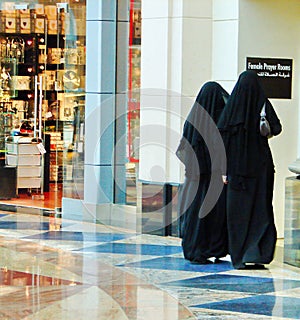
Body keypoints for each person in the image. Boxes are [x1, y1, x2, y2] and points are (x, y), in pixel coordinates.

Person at [217, 70, 282, 269]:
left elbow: (223, 139)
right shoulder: (262, 103)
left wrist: (223, 171)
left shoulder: (232, 108)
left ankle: (239, 256)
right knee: (261, 210)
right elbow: (277, 128)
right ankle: (259, 253)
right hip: (261, 168)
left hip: (237, 171)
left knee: (238, 213)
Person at [176, 81, 229, 264]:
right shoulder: (219, 120)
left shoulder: (193, 119)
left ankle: (195, 248)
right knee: (212, 215)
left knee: (195, 213)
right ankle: (211, 248)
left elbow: (184, 146)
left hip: (195, 178)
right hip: (212, 178)